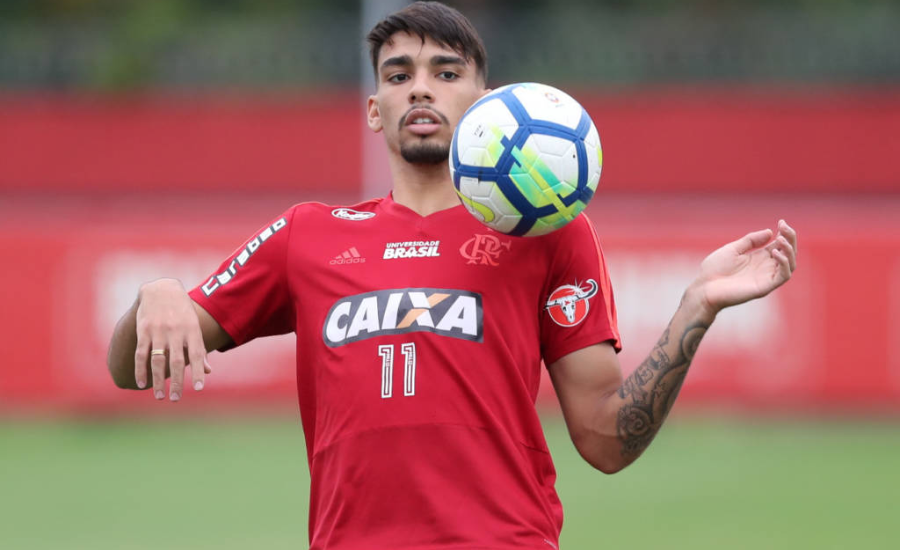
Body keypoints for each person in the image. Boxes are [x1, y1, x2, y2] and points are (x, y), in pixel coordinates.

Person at [107, 2, 798, 549]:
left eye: (445, 72)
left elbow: (607, 440)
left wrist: (696, 309)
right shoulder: (305, 236)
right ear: (374, 109)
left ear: (485, 102)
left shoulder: (546, 230)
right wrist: (156, 294)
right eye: (398, 75)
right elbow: (127, 368)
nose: (420, 88)